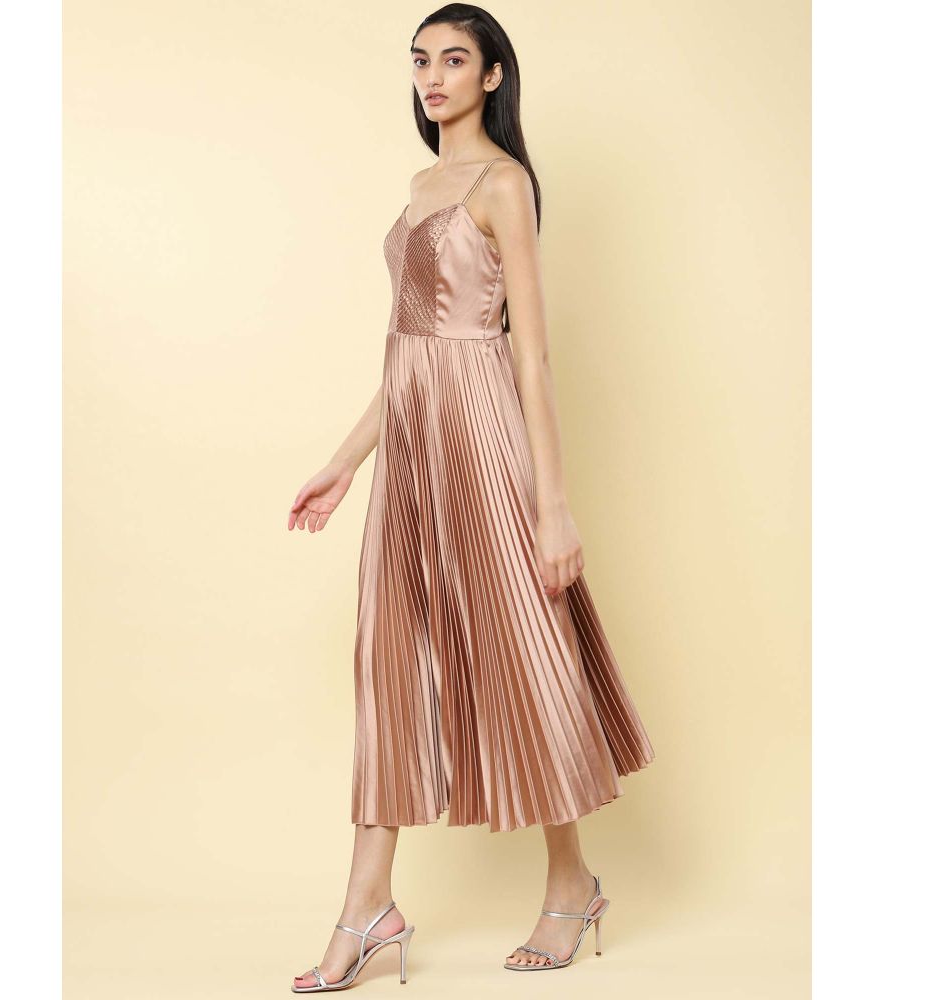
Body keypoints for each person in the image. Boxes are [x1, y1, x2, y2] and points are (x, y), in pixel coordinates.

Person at [287, 4, 655, 991]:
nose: (433, 76)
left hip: (484, 440)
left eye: (455, 60)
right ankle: (367, 905)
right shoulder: (419, 187)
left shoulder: (503, 184)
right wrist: (346, 461)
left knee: (520, 649)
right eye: (421, 60)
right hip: (411, 449)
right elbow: (411, 353)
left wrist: (553, 505)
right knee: (389, 656)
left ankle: (571, 883)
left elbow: (526, 351)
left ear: (492, 76)